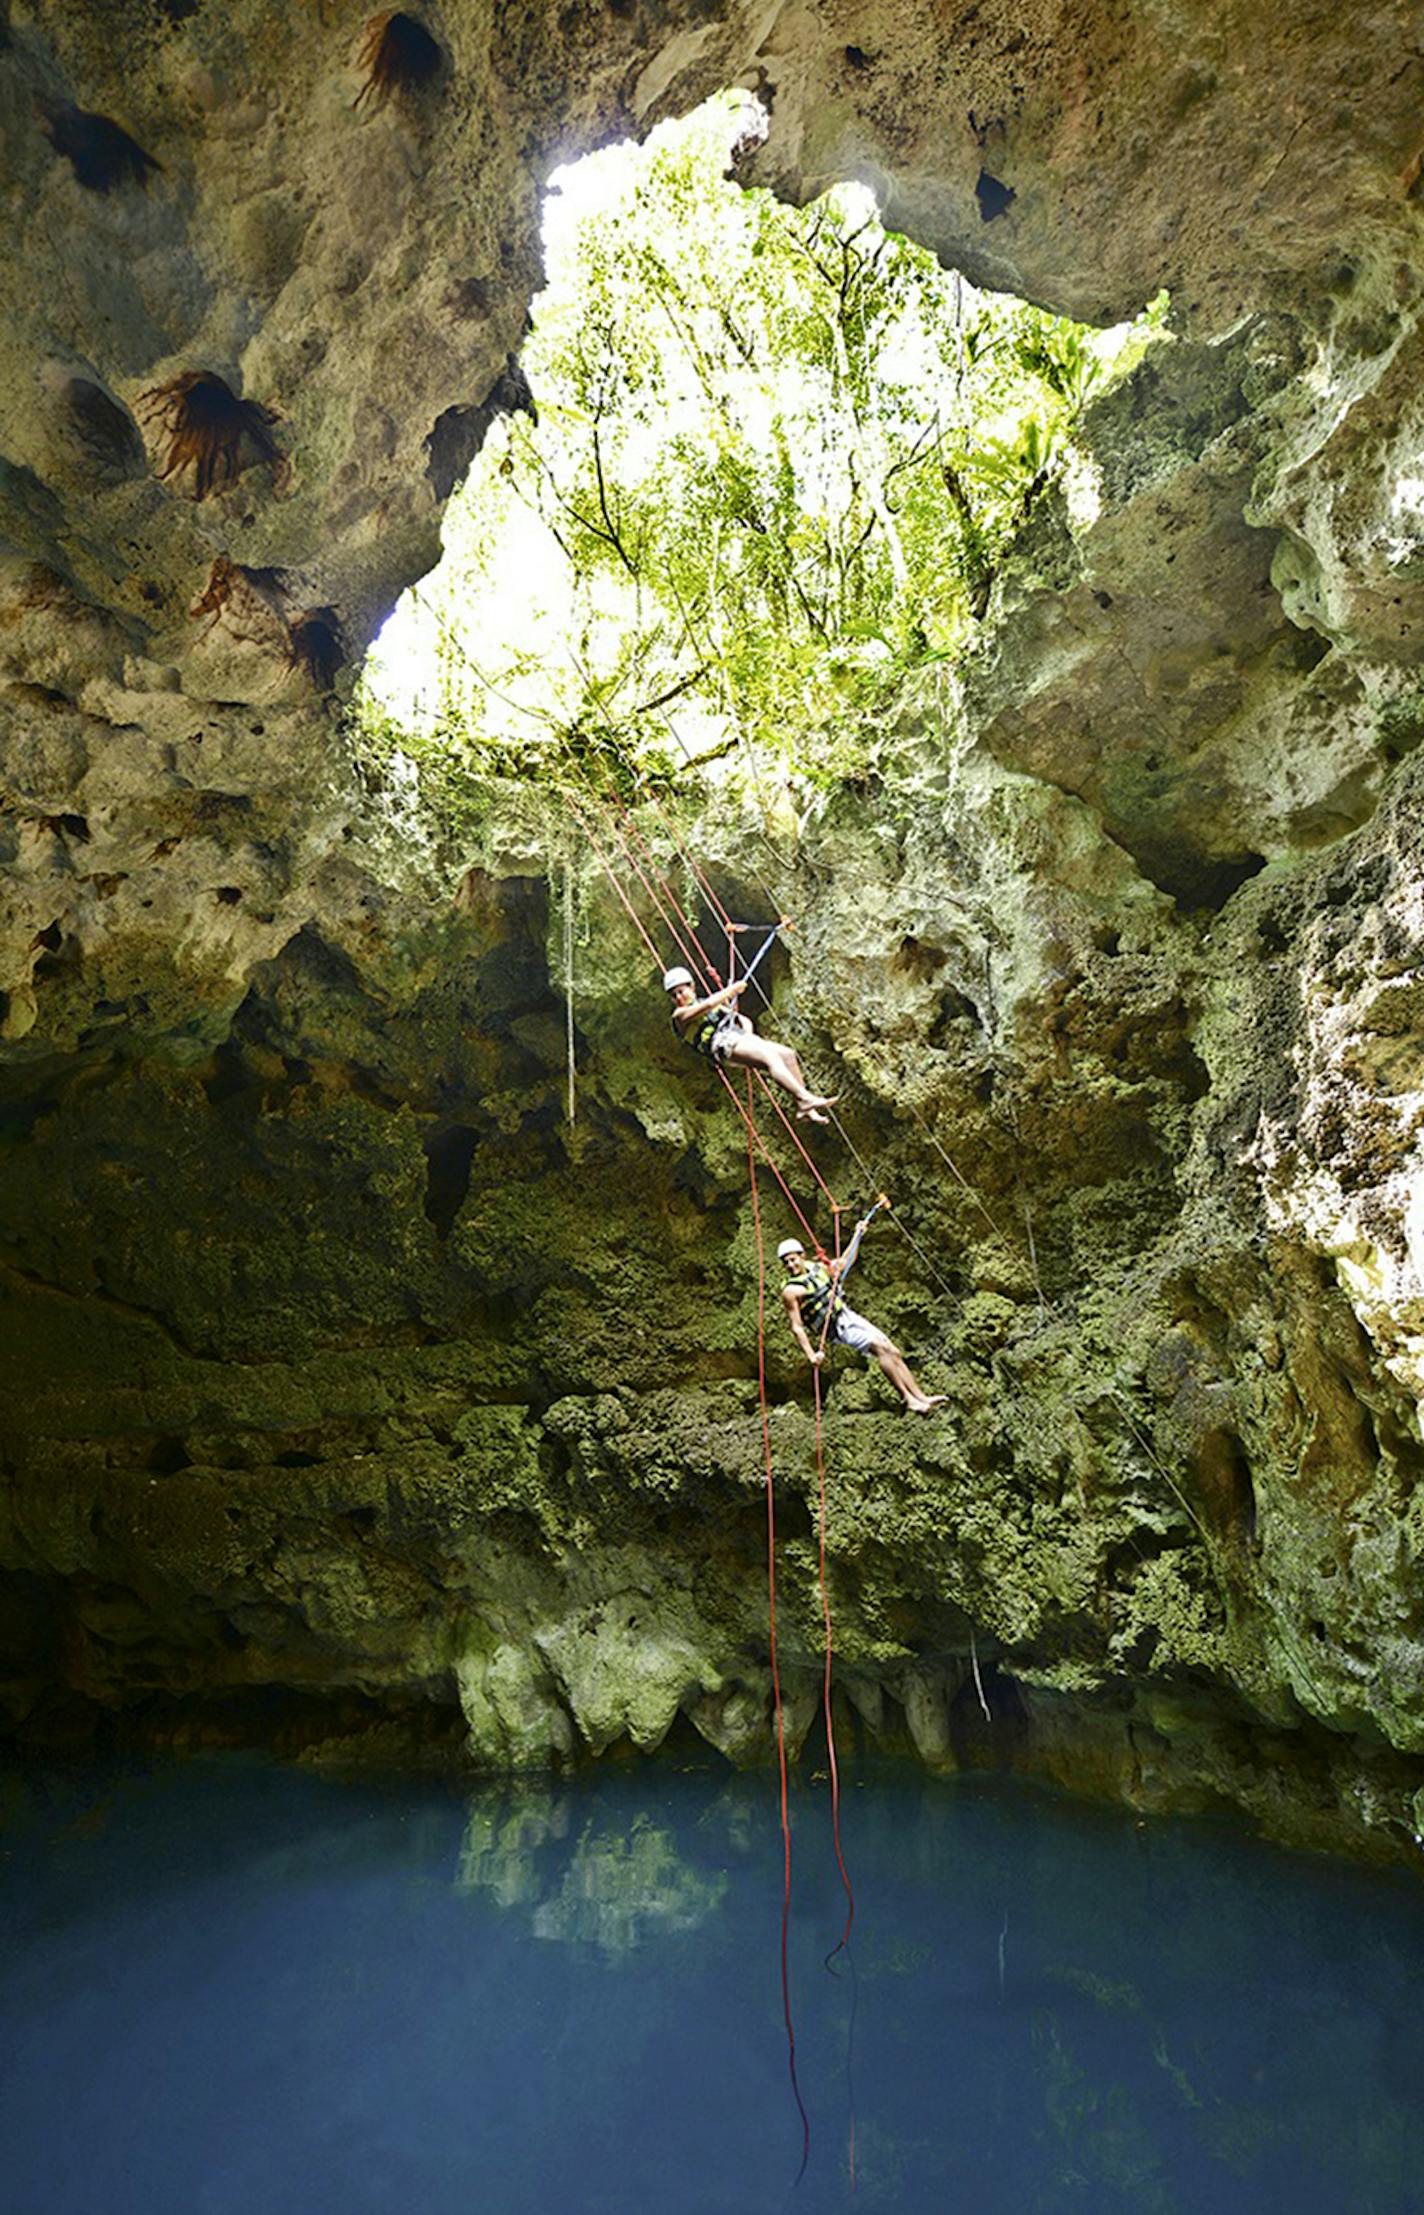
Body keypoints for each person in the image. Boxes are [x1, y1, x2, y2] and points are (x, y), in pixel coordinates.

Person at [779, 1234, 946, 1413]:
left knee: (893, 1351)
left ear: (802, 1256)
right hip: (836, 1327)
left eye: (793, 1260)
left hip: (847, 1314)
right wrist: (811, 1355)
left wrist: (857, 1235)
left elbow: (845, 1261)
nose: (790, 1265)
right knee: (881, 1349)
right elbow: (797, 1327)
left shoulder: (818, 1268)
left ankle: (921, 1397)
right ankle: (908, 1399)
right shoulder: (791, 1291)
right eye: (786, 1263)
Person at [664, 967, 839, 1123]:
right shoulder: (679, 1015)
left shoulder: (709, 1003)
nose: (679, 997)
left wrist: (749, 1037)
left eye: (681, 991)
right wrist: (731, 990)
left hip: (737, 1037)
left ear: (691, 986)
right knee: (770, 1058)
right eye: (674, 995)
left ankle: (804, 1105)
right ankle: (805, 1098)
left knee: (788, 1055)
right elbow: (709, 1004)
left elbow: (741, 1019)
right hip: (721, 1045)